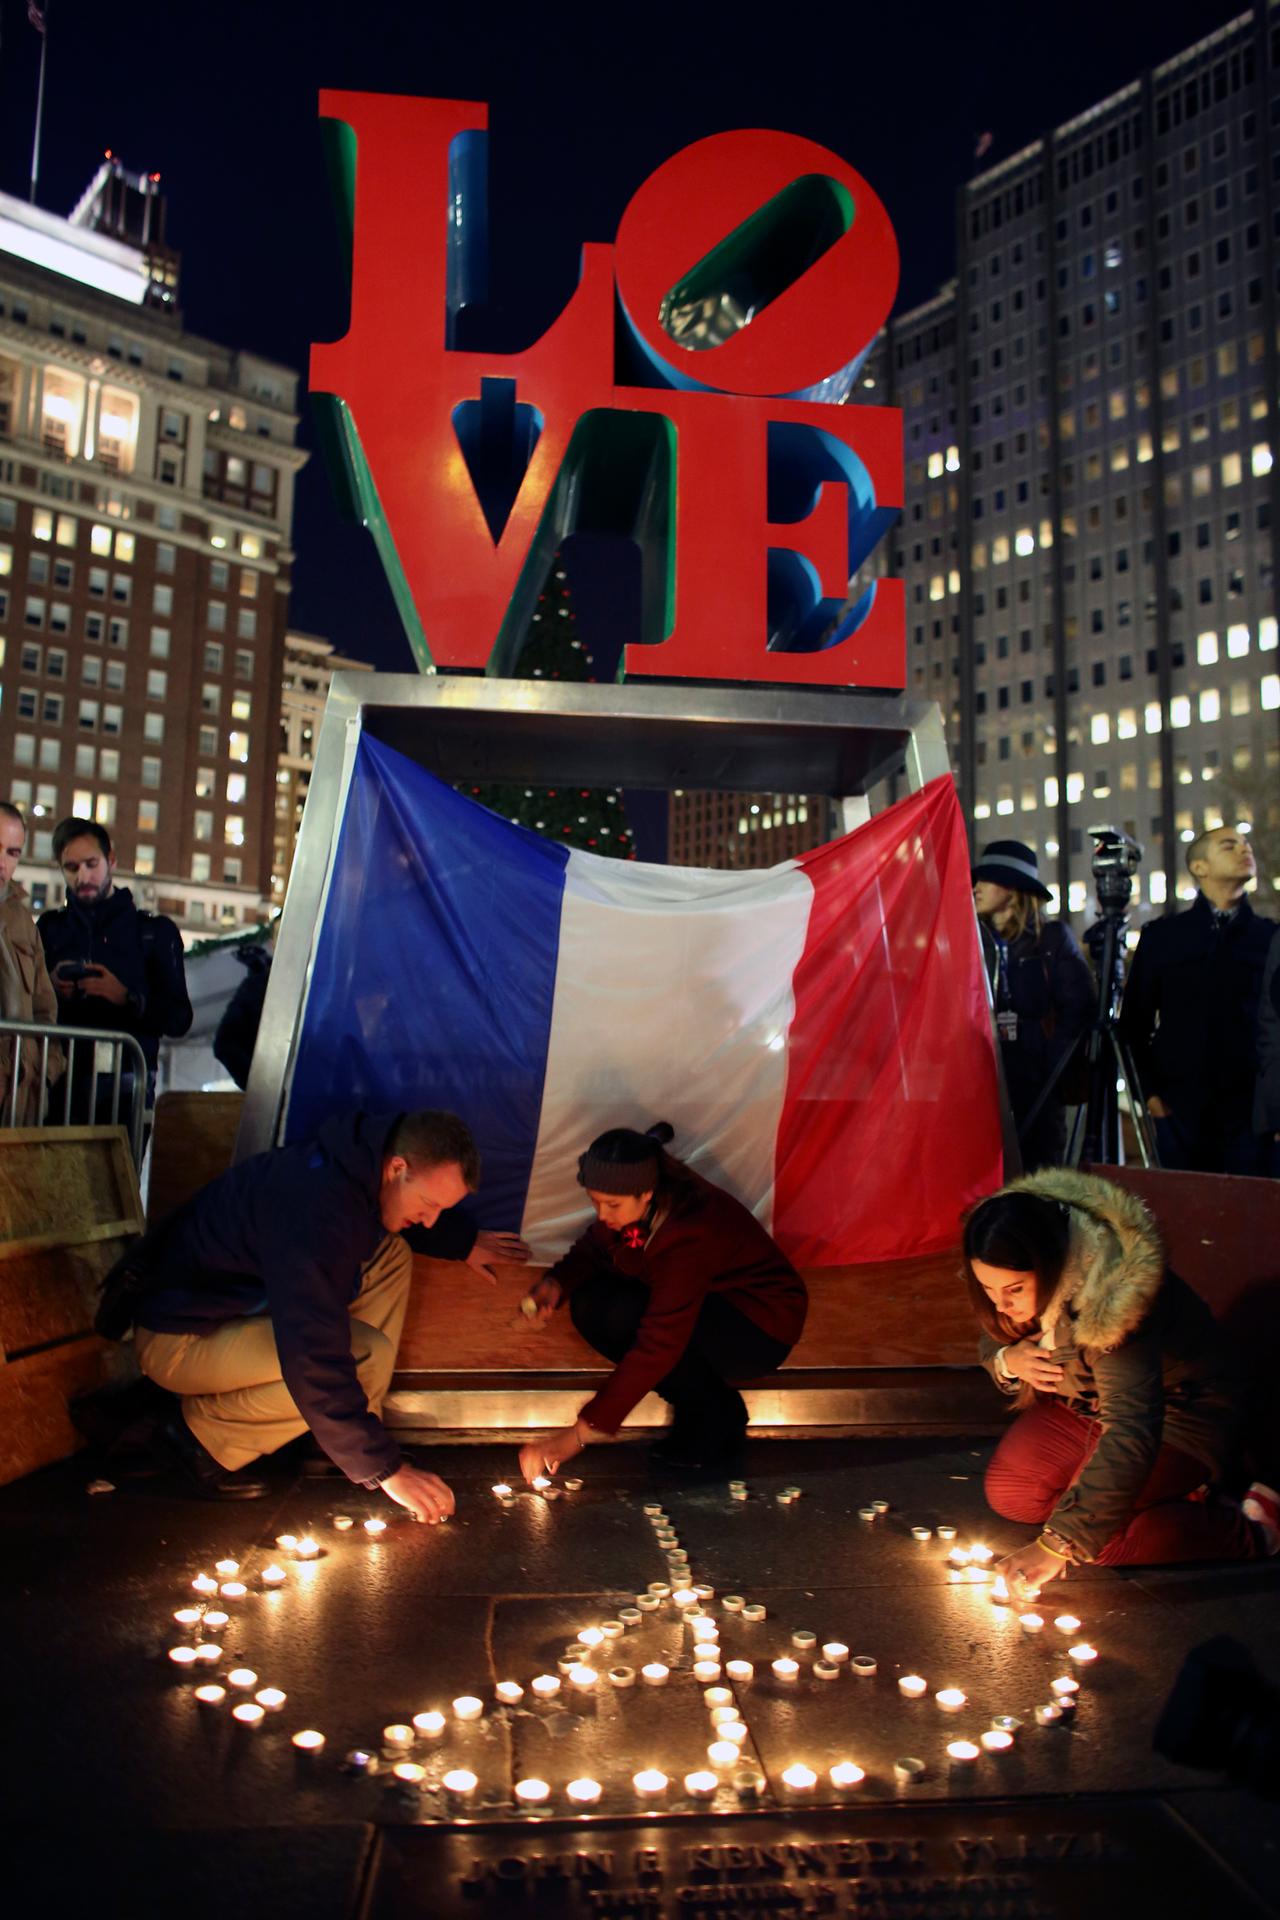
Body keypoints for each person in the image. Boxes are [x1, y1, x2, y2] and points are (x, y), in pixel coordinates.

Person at [99, 1108, 529, 1506]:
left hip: (225, 1311)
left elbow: (393, 1219)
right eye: (431, 1205)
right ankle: (196, 1440)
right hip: (181, 1340)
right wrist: (386, 1470)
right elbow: (311, 1352)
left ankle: (338, 1437)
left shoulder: (350, 1166)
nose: (431, 1219)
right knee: (361, 1355)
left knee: (391, 1254)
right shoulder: (317, 1212)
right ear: (398, 1168)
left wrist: (463, 1241)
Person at [964, 1169, 1278, 1595]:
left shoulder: (1114, 1301)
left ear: (1051, 1263)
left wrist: (1058, 1544)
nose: (1002, 1304)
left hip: (1179, 1413)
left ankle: (1251, 1530)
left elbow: (1132, 1426)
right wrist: (1007, 1359)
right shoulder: (1020, 1259)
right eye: (988, 1288)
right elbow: (994, 1333)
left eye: (1014, 1289)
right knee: (1015, 1494)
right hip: (1087, 1405)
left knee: (1098, 1542)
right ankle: (1161, 1495)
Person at [516, 1122, 808, 1479]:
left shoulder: (690, 1232)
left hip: (758, 1326)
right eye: (595, 1202)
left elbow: (660, 1343)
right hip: (711, 1306)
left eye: (612, 1204)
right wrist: (556, 1283)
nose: (603, 1215)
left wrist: (578, 1434)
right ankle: (700, 1408)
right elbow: (597, 1245)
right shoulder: (639, 1206)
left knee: (628, 1319)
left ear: (646, 1194)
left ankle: (716, 1415)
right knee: (593, 1303)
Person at [1119, 824, 1277, 1175]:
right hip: (1179, 1112)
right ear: (1200, 867)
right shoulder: (1163, 937)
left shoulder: (1270, 938)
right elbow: (1134, 1023)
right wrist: (1151, 1096)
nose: (1244, 849)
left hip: (1252, 1115)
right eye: (1229, 845)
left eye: (1246, 843)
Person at [38, 816, 193, 1112]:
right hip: (60, 1086)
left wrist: (125, 997)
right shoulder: (50, 928)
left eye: (91, 864)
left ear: (111, 860)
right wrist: (50, 987)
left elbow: (179, 1018)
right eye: (71, 867)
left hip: (126, 1089)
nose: (82, 877)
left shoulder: (153, 933)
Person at [972, 839, 1094, 1170]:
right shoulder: (973, 939)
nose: (976, 888)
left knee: (1039, 1172)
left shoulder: (1051, 938)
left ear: (1012, 888)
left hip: (1038, 1084)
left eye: (987, 879)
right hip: (984, 1082)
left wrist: (1050, 1067)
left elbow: (1078, 1008)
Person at [0, 800, 62, 1123]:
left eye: (13, 852)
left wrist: (45, 1072)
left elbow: (43, 1008)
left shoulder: (23, 921)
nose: (3, 863)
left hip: (19, 1097)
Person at [213, 938, 273, 1089]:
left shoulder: (258, 984)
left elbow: (224, 1044)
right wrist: (259, 1087)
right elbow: (224, 1044)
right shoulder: (258, 986)